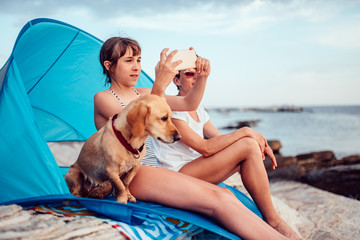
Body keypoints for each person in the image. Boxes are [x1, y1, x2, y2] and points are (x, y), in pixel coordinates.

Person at [94, 37, 298, 239]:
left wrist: (203, 77)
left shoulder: (144, 92)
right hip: (130, 174)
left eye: (138, 60)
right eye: (129, 61)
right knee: (218, 199)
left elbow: (189, 103)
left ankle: (274, 227)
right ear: (109, 66)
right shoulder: (103, 99)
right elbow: (135, 128)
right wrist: (160, 85)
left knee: (225, 195)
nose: (136, 67)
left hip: (153, 170)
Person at [151, 68, 302, 240]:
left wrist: (258, 140)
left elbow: (222, 140)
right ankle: (273, 220)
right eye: (190, 74)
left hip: (195, 170)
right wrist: (245, 131)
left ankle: (272, 218)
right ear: (177, 81)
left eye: (198, 74)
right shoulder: (173, 110)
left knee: (248, 146)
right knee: (247, 144)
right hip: (177, 176)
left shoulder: (198, 110)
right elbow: (205, 147)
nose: (197, 78)